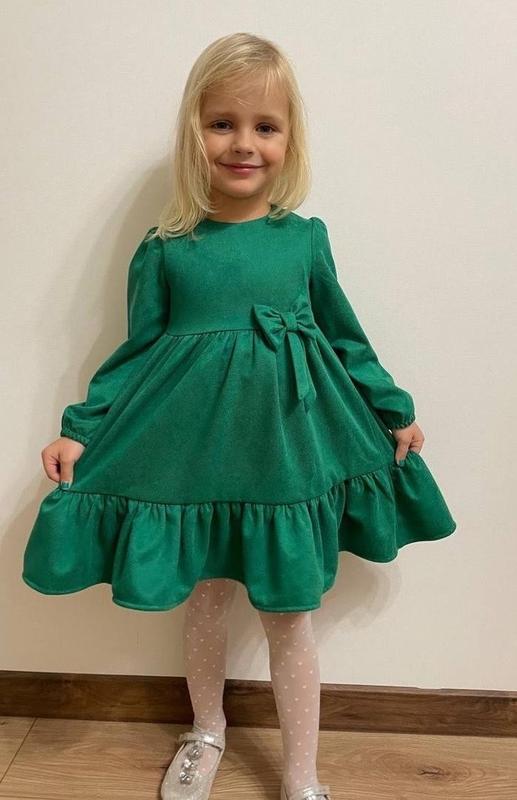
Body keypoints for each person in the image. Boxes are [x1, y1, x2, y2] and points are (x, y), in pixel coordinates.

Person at [22, 31, 457, 800]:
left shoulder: (304, 241)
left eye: (264, 126)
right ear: (193, 131)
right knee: (205, 600)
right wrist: (80, 427)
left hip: (284, 456)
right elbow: (137, 351)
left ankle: (301, 774)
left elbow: (344, 336)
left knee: (290, 615)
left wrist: (392, 409)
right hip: (194, 457)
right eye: (221, 123)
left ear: (290, 140)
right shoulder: (166, 248)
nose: (243, 143)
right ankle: (206, 730)